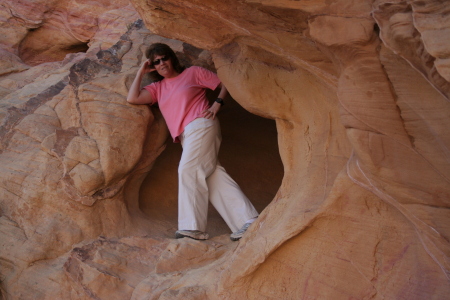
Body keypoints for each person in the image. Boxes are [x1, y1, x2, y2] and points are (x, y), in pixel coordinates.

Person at [127, 43, 258, 241]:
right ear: (153, 66)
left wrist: (217, 104)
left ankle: (192, 227)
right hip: (186, 136)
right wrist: (141, 70)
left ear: (172, 58)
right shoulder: (157, 88)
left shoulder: (193, 73)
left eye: (164, 58)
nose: (162, 63)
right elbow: (133, 98)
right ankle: (247, 221)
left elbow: (226, 83)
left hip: (201, 125)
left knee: (187, 170)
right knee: (213, 176)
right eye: (156, 62)